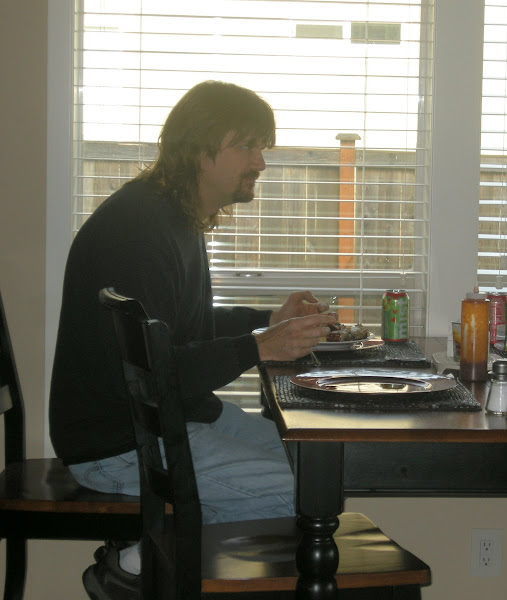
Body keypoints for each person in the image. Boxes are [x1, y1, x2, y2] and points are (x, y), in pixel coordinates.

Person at [49, 80, 338, 600]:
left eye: (262, 148)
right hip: (117, 443)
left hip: (167, 420)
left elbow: (181, 327)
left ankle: (145, 558)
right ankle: (140, 569)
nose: (260, 162)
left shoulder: (171, 216)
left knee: (312, 465)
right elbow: (151, 372)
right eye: (247, 146)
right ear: (200, 149)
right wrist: (260, 346)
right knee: (299, 493)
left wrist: (269, 319)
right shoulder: (138, 231)